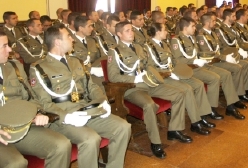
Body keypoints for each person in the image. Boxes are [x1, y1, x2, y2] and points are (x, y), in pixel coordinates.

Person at [29, 25, 131, 168]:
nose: (72, 39)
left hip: (85, 110)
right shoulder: (39, 68)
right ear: (57, 42)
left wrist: (103, 101)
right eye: (68, 37)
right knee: (90, 139)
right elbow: (44, 103)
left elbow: (91, 86)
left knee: (123, 127)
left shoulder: (75, 61)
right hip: (61, 117)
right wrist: (66, 117)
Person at [107, 21, 197, 158]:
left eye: (131, 30)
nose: (131, 32)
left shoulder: (138, 47)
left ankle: (174, 130)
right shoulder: (114, 52)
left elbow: (149, 65)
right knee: (149, 105)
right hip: (132, 88)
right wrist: (134, 79)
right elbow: (113, 77)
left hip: (149, 83)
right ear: (119, 34)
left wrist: (157, 74)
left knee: (179, 94)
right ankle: (156, 142)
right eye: (127, 30)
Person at [0, 30, 72, 168]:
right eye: (4, 46)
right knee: (16, 163)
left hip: (21, 126)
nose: (9, 49)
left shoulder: (14, 67)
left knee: (61, 145)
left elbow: (31, 97)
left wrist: (37, 112)